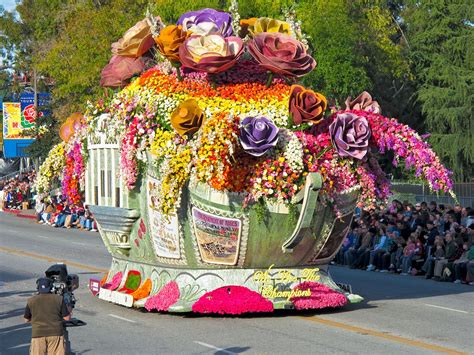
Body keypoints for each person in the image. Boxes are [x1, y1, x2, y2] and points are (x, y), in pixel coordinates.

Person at [24, 277, 71, 355]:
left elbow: (26, 319)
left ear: (38, 288)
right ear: (51, 287)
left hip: (38, 334)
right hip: (55, 333)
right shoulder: (59, 299)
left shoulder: (31, 300)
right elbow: (67, 318)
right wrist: (69, 309)